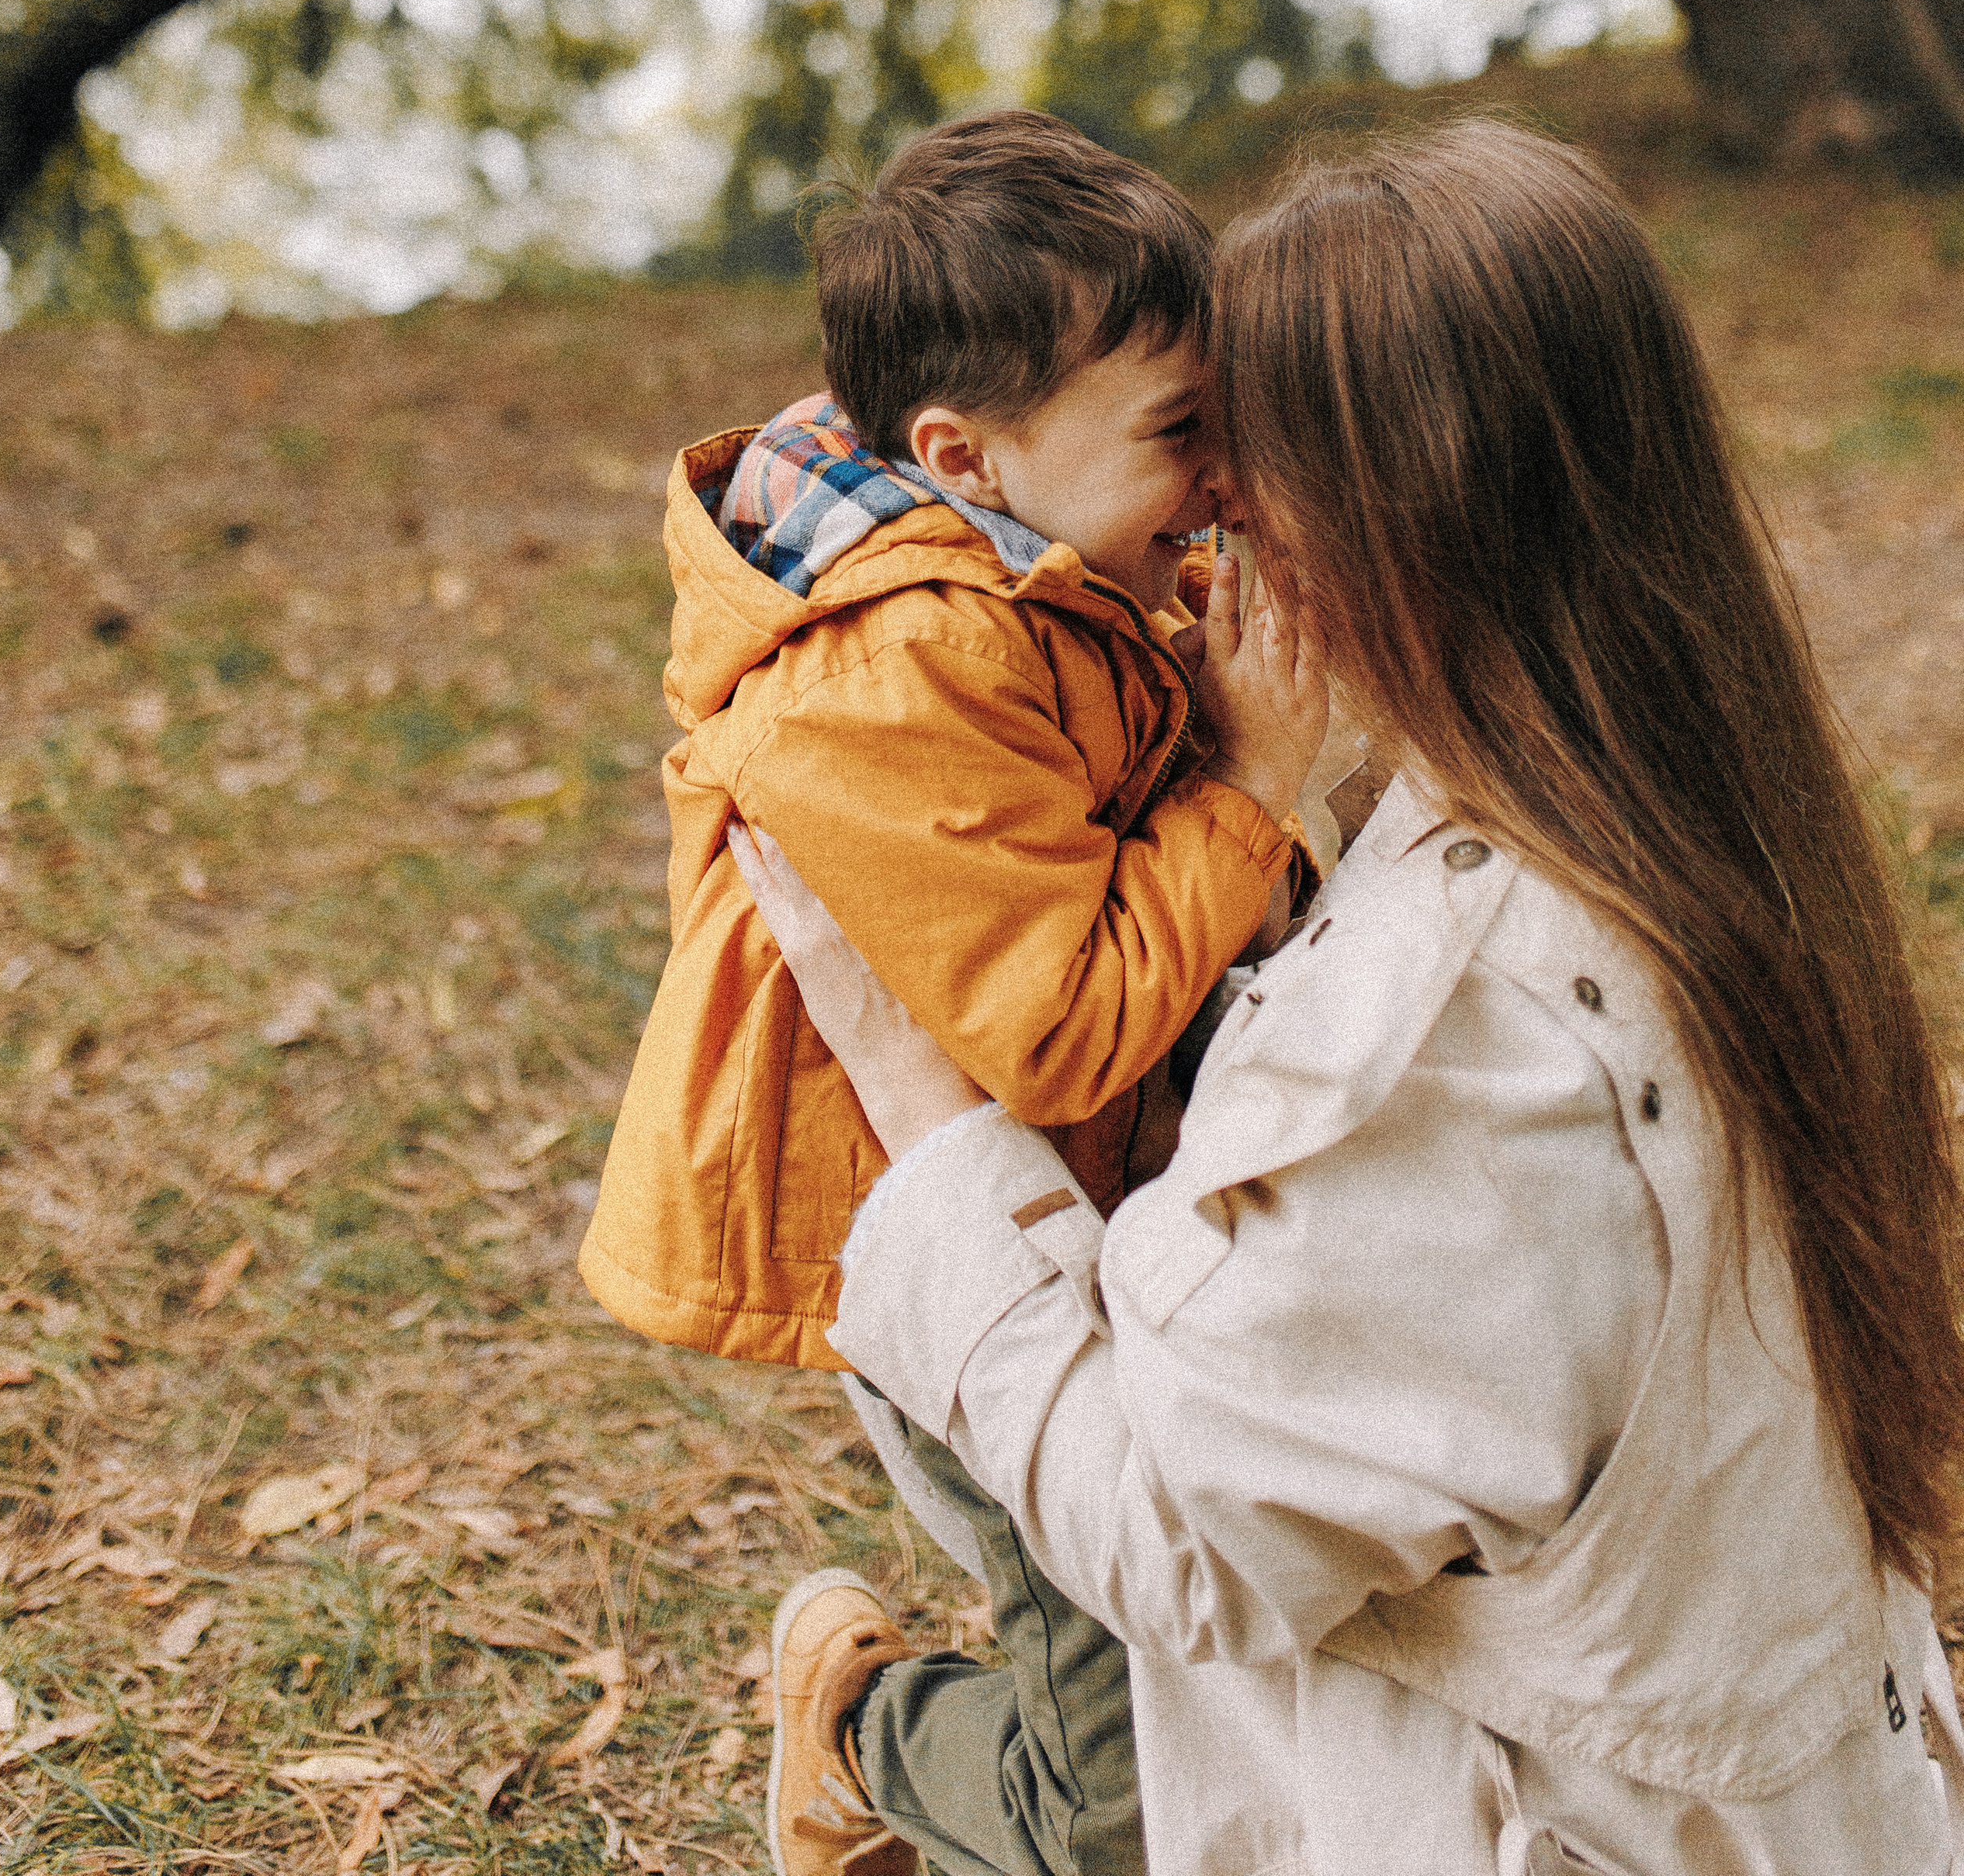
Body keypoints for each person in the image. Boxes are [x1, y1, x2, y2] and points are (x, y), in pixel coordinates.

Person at [736, 118, 1964, 1876]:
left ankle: (859, 1726)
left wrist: (921, 1110)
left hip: (1588, 1819)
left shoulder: (1465, 1047)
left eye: (1249, 453)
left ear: (1412, 506)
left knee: (1101, 1815)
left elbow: (1175, 1538)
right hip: (1785, 1793)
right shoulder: (1695, 816)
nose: (1214, 505)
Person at [579, 109, 1321, 1876]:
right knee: (1125, 1820)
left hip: (1080, 1208)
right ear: (961, 457)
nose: (1223, 480)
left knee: (1224, 1672)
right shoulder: (897, 666)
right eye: (1180, 435)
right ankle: (856, 1731)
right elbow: (1054, 1020)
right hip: (953, 1260)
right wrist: (1253, 784)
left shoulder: (1037, 579)